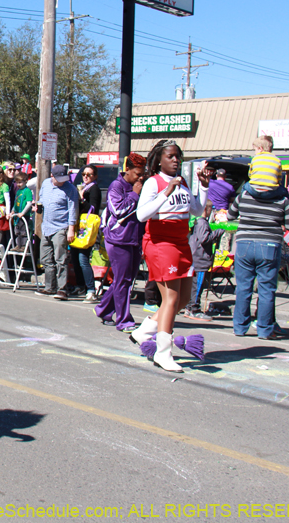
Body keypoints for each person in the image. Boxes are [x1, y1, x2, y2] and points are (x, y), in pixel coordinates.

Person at [130, 140, 210, 373]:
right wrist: (166, 192)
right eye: (171, 156)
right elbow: (142, 215)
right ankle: (163, 353)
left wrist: (204, 188)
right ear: (159, 160)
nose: (176, 160)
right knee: (171, 300)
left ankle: (143, 331)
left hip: (181, 242)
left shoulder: (183, 182)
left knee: (183, 300)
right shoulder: (153, 183)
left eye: (178, 156)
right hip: (160, 243)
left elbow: (197, 211)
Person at [227, 149, 289, 339]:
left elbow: (230, 215)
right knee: (267, 290)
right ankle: (265, 330)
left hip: (244, 245)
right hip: (270, 246)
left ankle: (240, 327)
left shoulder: (244, 196)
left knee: (243, 287)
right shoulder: (282, 199)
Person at [95, 154, 146, 330]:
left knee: (125, 279)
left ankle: (103, 309)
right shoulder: (116, 186)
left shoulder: (139, 186)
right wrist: (134, 194)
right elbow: (118, 211)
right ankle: (124, 320)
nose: (140, 177)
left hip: (134, 238)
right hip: (117, 239)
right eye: (137, 173)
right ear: (128, 170)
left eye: (142, 174)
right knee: (123, 280)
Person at [35, 164, 78, 301]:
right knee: (46, 258)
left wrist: (71, 229)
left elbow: (72, 209)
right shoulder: (46, 184)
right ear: (52, 176)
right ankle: (49, 286)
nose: (62, 181)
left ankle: (62, 288)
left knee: (61, 258)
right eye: (60, 178)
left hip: (61, 227)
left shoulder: (70, 189)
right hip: (46, 226)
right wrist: (38, 206)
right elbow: (41, 198)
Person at [183, 201, 224, 321]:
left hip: (198, 257)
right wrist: (218, 232)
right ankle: (193, 308)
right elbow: (204, 239)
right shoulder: (202, 222)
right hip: (199, 259)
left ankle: (190, 306)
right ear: (206, 209)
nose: (212, 211)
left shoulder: (199, 222)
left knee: (194, 284)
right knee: (197, 285)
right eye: (211, 208)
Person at [72, 164, 102, 302]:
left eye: (89, 175)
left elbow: (93, 208)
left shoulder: (94, 189)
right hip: (79, 226)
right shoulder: (84, 187)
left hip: (87, 228)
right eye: (84, 174)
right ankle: (80, 285)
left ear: (95, 176)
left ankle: (91, 289)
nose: (85, 177)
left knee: (83, 259)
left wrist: (82, 199)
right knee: (75, 257)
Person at [242, 135, 285, 200]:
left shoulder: (255, 158)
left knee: (245, 186)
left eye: (255, 150)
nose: (255, 152)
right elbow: (279, 179)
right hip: (270, 192)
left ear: (260, 148)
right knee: (284, 191)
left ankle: (242, 200)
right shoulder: (277, 160)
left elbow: (250, 175)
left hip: (254, 190)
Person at [9, 171, 34, 251]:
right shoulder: (18, 191)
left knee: (23, 231)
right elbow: (16, 203)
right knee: (17, 231)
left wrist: (23, 213)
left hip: (24, 215)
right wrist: (13, 211)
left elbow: (29, 203)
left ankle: (23, 246)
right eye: (17, 183)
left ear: (25, 181)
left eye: (20, 182)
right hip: (17, 215)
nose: (18, 185)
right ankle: (17, 245)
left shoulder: (27, 191)